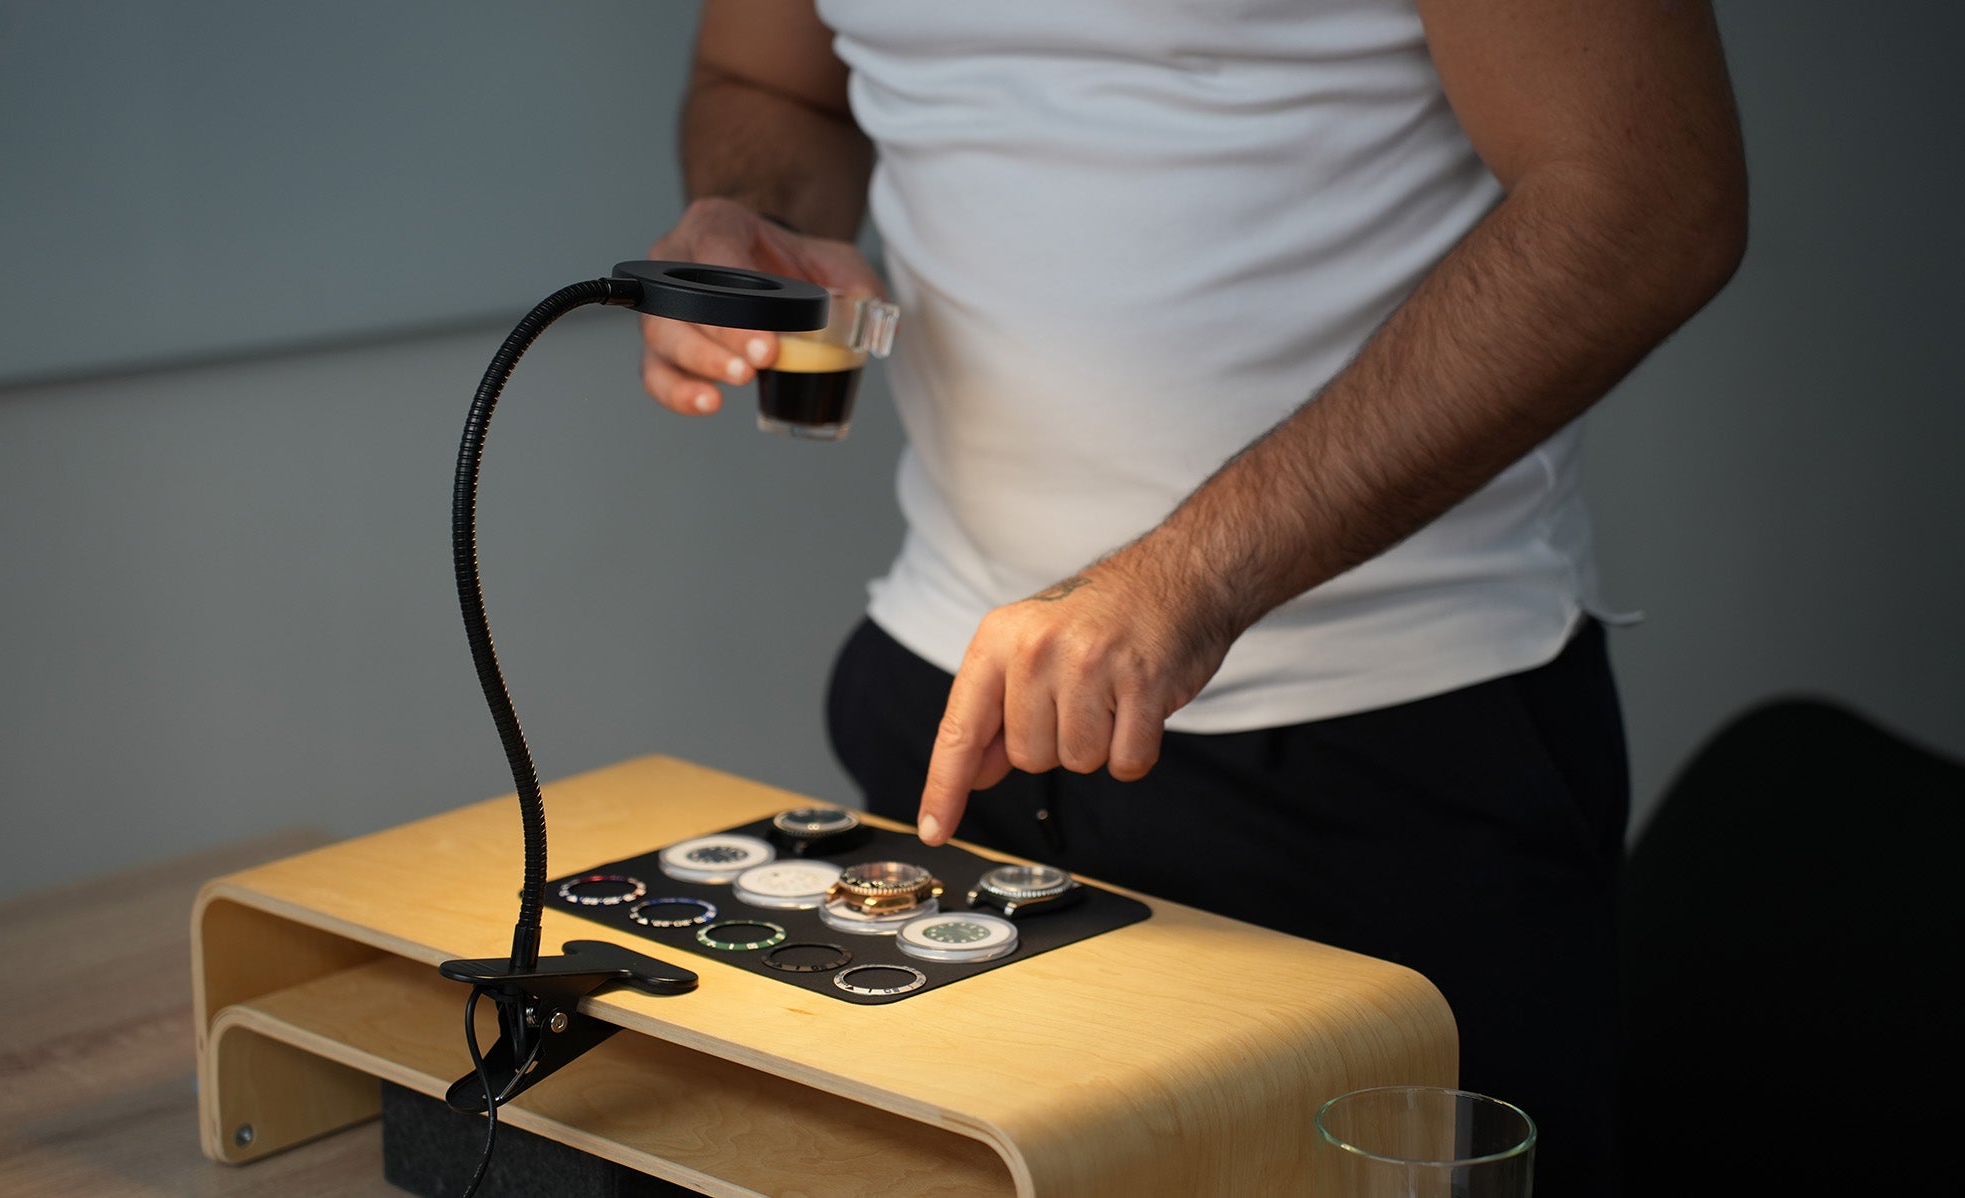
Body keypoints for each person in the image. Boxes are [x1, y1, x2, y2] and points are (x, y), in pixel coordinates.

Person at [641, 2, 1746, 1191]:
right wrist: (764, 222)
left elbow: (1646, 200)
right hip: (958, 719)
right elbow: (771, 81)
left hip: (1382, 753)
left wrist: (1193, 571)